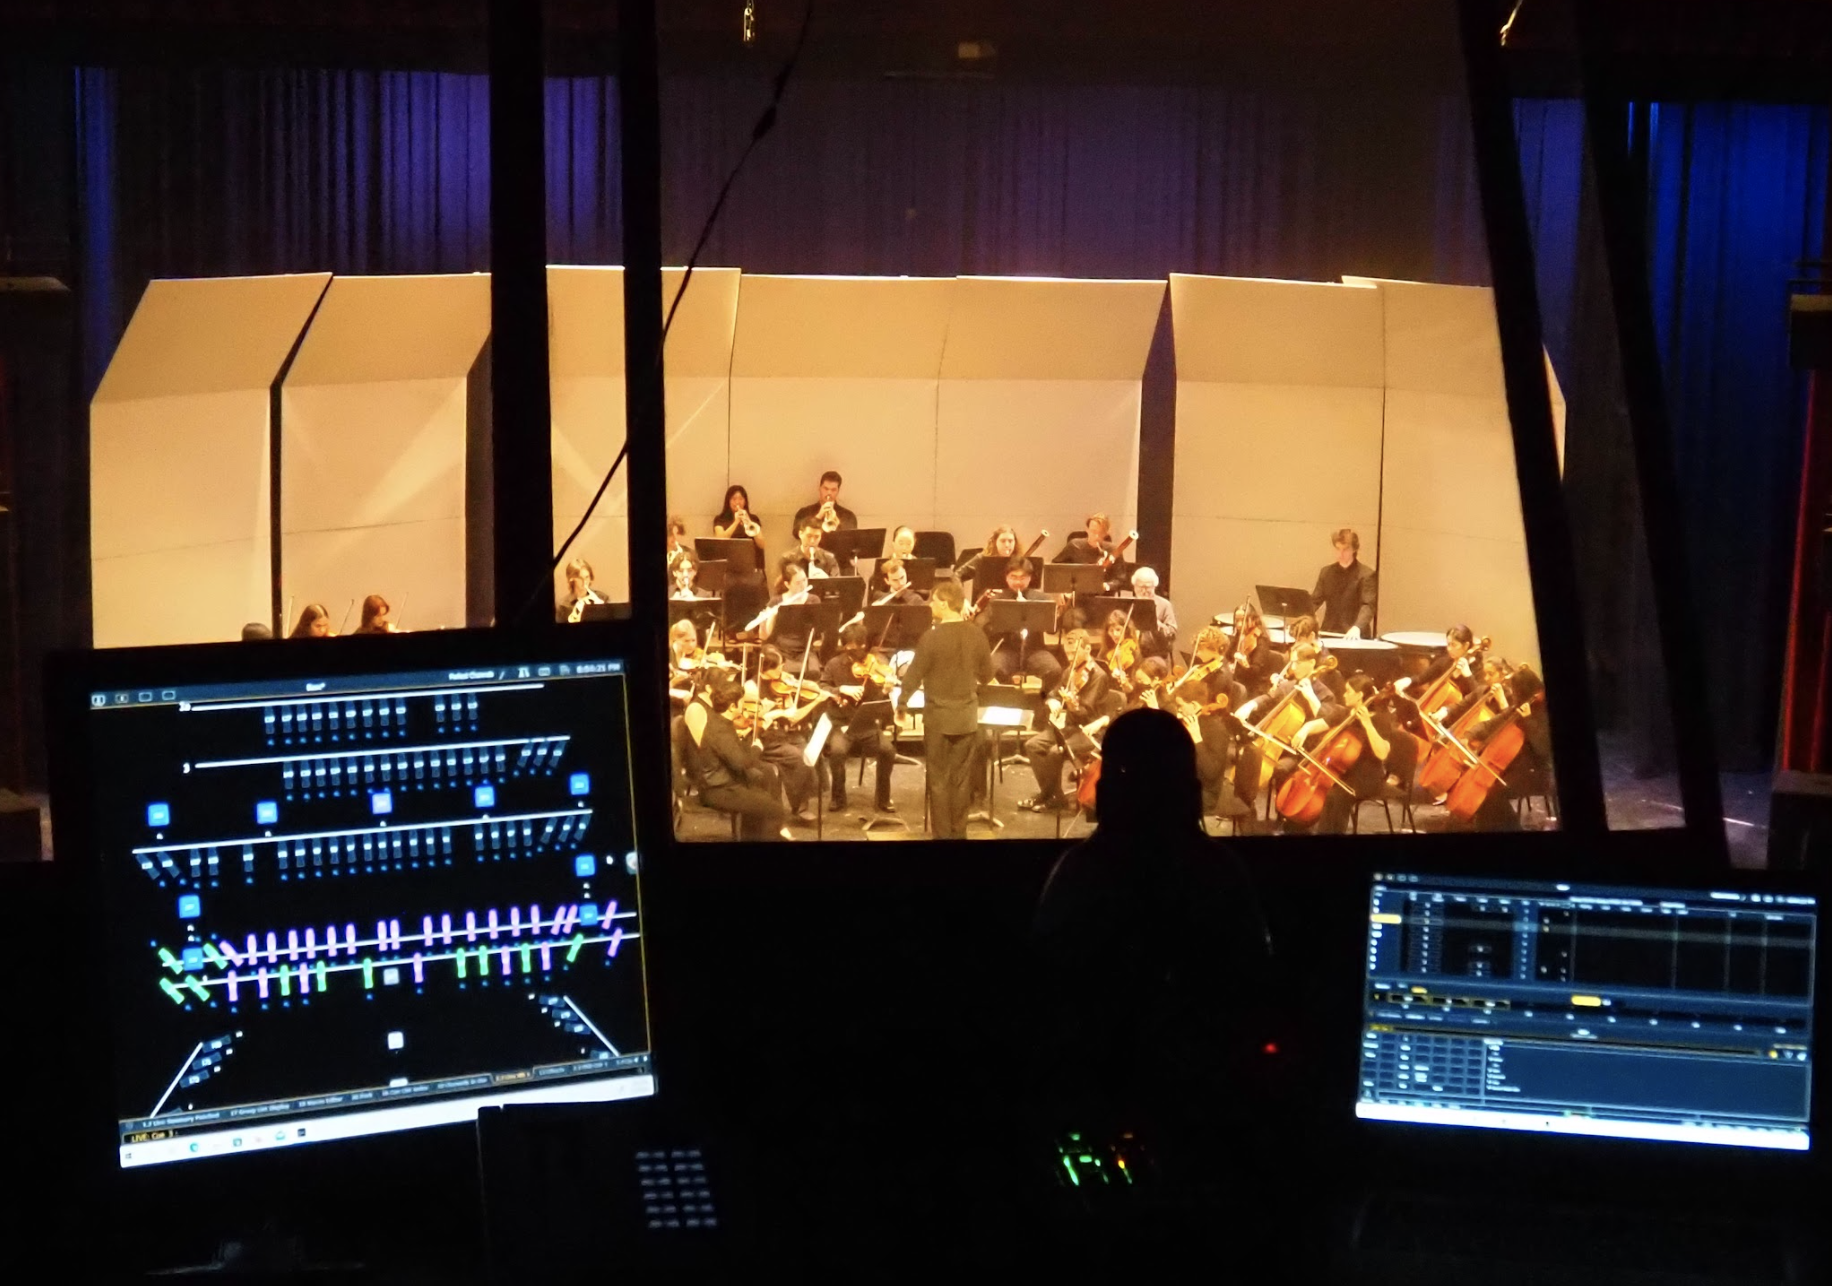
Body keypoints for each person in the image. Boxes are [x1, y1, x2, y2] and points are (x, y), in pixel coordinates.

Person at [1031, 707, 1273, 1143]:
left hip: (1092, 1091)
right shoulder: (1220, 872)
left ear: (1108, 793)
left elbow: (1048, 983)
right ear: (1190, 794)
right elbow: (1253, 980)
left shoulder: (1078, 872)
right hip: (1208, 1104)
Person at [897, 577, 995, 839]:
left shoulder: (930, 637)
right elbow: (987, 676)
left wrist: (902, 704)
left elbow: (913, 675)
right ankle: (959, 834)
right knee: (962, 781)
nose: (930, 606)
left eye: (933, 601)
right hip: (966, 718)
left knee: (939, 781)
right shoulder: (977, 634)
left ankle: (942, 837)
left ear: (943, 603)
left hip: (938, 719)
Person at [1281, 674, 1417, 835]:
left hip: (1367, 775)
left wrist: (1367, 724)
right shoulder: (1346, 713)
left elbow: (1382, 753)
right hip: (1342, 772)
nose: (1344, 694)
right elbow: (1321, 723)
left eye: (1348, 691)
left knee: (1335, 796)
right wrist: (1305, 730)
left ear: (1359, 695)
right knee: (1324, 791)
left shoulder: (1381, 719)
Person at [680, 673, 790, 841]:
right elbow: (740, 763)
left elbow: (736, 753)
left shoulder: (721, 721)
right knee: (774, 809)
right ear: (732, 707)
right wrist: (756, 747)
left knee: (763, 785)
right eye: (741, 704)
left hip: (725, 781)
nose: (744, 708)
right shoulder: (719, 730)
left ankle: (756, 837)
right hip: (718, 789)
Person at [1021, 629, 1111, 813]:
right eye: (1068, 653)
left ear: (1087, 649)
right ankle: (1052, 795)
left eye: (1074, 653)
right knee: (1032, 745)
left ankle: (1050, 796)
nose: (1070, 657)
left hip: (1088, 731)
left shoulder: (1098, 676)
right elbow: (1054, 692)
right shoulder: (1070, 670)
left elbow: (1085, 712)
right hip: (1069, 727)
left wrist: (1072, 705)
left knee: (1055, 751)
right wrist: (1052, 700)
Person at [821, 622, 899, 814]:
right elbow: (821, 687)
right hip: (842, 723)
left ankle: (883, 797)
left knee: (888, 751)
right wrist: (840, 689)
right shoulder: (834, 664)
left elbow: (880, 704)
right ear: (845, 646)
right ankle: (838, 797)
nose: (858, 653)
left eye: (861, 647)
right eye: (852, 648)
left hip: (867, 724)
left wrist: (886, 690)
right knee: (837, 752)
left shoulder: (875, 664)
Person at [974, 557, 1063, 687]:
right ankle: (1011, 698)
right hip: (1006, 649)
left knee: (1054, 670)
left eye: (1022, 578)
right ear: (1006, 578)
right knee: (993, 669)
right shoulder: (997, 599)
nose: (1018, 582)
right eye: (1013, 577)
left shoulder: (1043, 599)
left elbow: (1052, 630)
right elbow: (983, 627)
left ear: (1030, 578)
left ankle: (1044, 700)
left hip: (1034, 649)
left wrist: (1059, 614)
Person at [1310, 527, 1377, 638]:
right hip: (1329, 631)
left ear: (1354, 549)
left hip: (1354, 634)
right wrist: (1304, 617)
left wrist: (1357, 627)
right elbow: (1314, 601)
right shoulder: (1326, 572)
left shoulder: (1366, 575)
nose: (1340, 554)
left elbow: (1368, 606)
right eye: (1338, 549)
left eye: (1345, 549)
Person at [758, 557, 817, 665]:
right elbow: (764, 636)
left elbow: (819, 629)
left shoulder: (813, 600)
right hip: (781, 649)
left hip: (805, 649)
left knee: (813, 671)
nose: (803, 585)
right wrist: (772, 616)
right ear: (787, 584)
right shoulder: (776, 601)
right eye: (798, 583)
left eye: (804, 580)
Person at [791, 470, 859, 544]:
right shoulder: (804, 512)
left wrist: (838, 523)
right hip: (812, 554)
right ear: (819, 488)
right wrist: (818, 517)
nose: (829, 493)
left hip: (837, 555)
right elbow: (796, 533)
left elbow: (851, 539)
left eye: (833, 490)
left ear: (838, 491)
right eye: (826, 489)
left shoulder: (848, 516)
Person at [1127, 566, 1178, 660]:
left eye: (1147, 587)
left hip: (1155, 653)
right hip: (1129, 652)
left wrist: (1159, 625)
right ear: (1134, 586)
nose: (1143, 591)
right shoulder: (1128, 604)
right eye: (1139, 587)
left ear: (1154, 586)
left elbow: (1173, 633)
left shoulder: (1164, 605)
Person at [711, 485, 767, 560]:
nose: (737, 502)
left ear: (745, 501)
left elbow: (761, 544)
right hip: (728, 562)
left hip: (751, 562)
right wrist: (736, 522)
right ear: (728, 501)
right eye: (734, 499)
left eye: (741, 499)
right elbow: (720, 540)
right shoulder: (720, 519)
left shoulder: (753, 519)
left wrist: (749, 522)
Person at [782, 517, 841, 581]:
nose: (812, 541)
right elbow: (781, 588)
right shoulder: (787, 559)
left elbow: (838, 587)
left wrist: (826, 580)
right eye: (809, 536)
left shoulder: (829, 558)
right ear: (800, 534)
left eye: (817, 537)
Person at [560, 557, 606, 623]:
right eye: (580, 578)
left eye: (587, 577)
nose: (584, 582)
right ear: (572, 579)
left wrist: (601, 608)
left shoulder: (603, 598)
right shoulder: (563, 606)